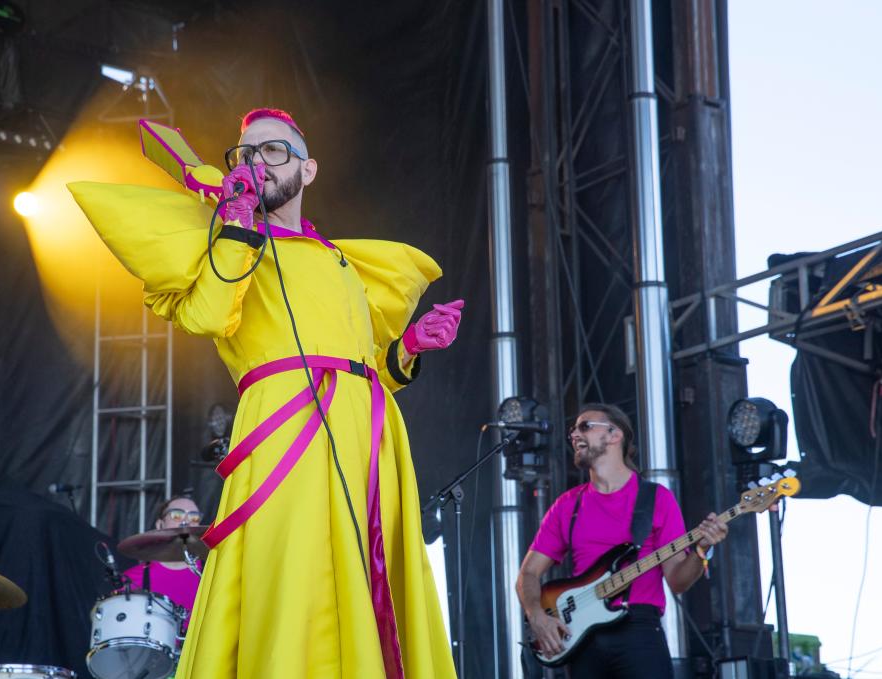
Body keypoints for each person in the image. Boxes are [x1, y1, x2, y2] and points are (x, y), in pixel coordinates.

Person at [70, 108, 459, 678]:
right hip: (285, 426)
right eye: (245, 153)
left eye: (273, 150)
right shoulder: (229, 243)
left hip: (367, 437)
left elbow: (365, 364)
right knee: (294, 577)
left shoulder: (340, 260)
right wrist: (235, 226)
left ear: (309, 170)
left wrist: (408, 350)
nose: (257, 162)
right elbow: (206, 316)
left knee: (370, 579)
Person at [515, 403, 728, 679]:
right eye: (573, 431)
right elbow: (528, 574)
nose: (575, 435)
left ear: (615, 434)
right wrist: (537, 615)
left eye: (585, 426)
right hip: (583, 640)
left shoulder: (656, 498)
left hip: (639, 631)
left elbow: (677, 581)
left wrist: (702, 550)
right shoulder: (567, 505)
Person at [123, 496, 203, 630]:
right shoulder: (131, 579)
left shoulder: (213, 575)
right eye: (177, 515)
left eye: (194, 517)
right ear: (160, 525)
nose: (186, 522)